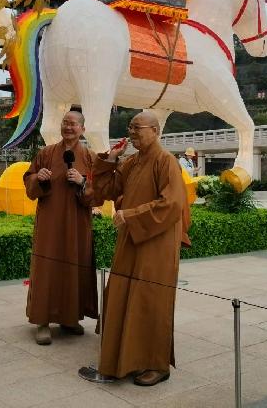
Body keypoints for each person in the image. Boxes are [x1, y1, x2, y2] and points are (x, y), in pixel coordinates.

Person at [89, 111, 191, 386]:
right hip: (132, 237)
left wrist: (131, 215)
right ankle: (127, 357)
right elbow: (105, 191)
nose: (132, 132)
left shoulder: (166, 161)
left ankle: (157, 364)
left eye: (138, 128)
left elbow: (172, 204)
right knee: (124, 294)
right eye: (130, 128)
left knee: (150, 299)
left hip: (157, 242)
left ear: (155, 130)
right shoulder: (131, 162)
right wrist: (110, 160)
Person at [23, 110, 98, 345]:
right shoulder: (46, 153)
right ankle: (42, 321)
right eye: (65, 122)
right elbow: (29, 180)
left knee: (74, 268)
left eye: (73, 124)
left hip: (77, 224)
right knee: (46, 268)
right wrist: (38, 178)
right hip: (50, 223)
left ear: (82, 129)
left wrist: (83, 182)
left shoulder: (90, 157)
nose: (68, 127)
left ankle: (70, 318)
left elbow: (100, 191)